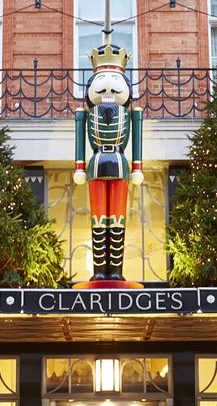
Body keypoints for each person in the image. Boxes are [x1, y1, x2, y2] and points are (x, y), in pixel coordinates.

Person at [73, 43, 143, 282]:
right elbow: (80, 139)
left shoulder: (131, 113)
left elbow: (137, 139)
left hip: (120, 163)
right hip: (96, 163)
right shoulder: (85, 114)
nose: (109, 85)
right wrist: (79, 166)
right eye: (103, 78)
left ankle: (116, 270)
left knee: (118, 217)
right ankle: (99, 270)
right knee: (98, 217)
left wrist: (137, 166)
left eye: (114, 77)